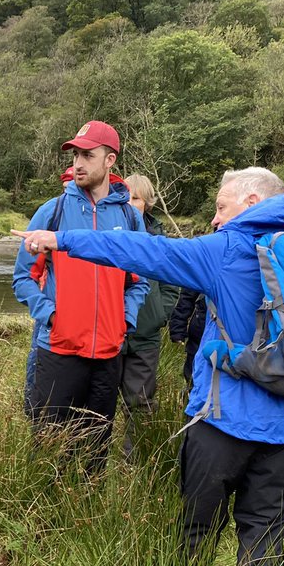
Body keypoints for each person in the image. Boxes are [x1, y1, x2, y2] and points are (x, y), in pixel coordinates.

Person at [15, 167, 284, 566]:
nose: (214, 219)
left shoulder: (227, 249)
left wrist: (62, 241)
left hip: (220, 424)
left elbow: (144, 251)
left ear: (251, 202)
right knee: (266, 538)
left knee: (197, 529)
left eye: (221, 206)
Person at [12, 120, 149, 472]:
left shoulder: (129, 218)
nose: (78, 163)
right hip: (57, 350)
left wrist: (124, 320)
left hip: (108, 354)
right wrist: (53, 317)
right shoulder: (52, 211)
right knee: (48, 450)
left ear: (110, 160)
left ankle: (84, 516)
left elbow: (139, 281)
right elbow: (22, 279)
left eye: (88, 154)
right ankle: (42, 520)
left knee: (95, 453)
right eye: (75, 155)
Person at [117, 173, 180, 416]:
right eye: (125, 198)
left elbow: (172, 283)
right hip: (110, 333)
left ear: (147, 202)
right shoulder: (109, 233)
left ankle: (135, 455)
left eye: (136, 198)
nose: (130, 204)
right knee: (98, 403)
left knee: (140, 403)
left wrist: (160, 315)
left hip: (146, 334)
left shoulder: (159, 239)